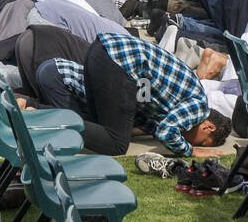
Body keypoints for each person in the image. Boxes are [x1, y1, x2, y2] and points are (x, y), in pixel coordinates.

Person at [37, 32, 231, 156]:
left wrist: (138, 126)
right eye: (203, 143)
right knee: (116, 144)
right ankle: (52, 122)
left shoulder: (183, 96)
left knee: (100, 131)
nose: (193, 141)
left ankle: (38, 114)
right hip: (120, 61)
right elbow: (166, 131)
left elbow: (143, 97)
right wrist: (191, 151)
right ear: (208, 127)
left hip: (102, 50)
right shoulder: (199, 106)